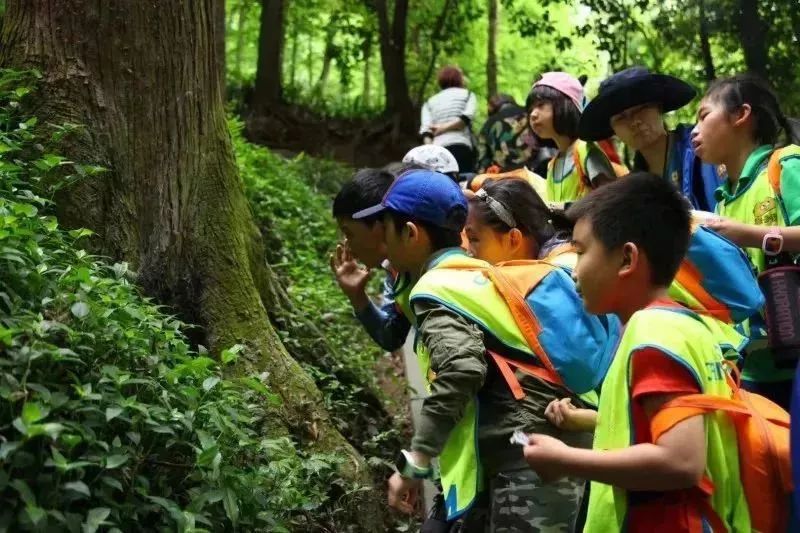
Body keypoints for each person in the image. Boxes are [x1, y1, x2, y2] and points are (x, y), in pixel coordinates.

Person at [364, 170, 592, 532]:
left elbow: (460, 369)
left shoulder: (438, 288)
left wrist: (417, 460)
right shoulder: (477, 272)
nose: (381, 246)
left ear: (410, 232)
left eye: (385, 231)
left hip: (528, 452)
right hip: (534, 445)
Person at [524, 173, 750, 532]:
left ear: (627, 259)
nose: (575, 270)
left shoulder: (652, 333)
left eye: (581, 251)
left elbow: (681, 461)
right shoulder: (685, 324)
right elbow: (667, 425)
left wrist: (566, 460)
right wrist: (588, 420)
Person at [690, 74, 800, 409]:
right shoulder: (722, 202)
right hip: (752, 368)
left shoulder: (784, 165)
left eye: (704, 115)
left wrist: (746, 234)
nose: (694, 131)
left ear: (740, 115)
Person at [579, 66, 725, 212]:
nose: (634, 121)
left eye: (641, 109)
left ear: (659, 107)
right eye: (621, 118)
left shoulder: (700, 147)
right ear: (613, 130)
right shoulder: (634, 189)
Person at [330, 168, 412, 352]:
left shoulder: (426, 269)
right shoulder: (397, 272)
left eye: (349, 233)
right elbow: (392, 336)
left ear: (378, 227)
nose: (347, 246)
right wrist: (357, 296)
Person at [527, 72, 618, 205]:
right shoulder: (552, 165)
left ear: (565, 106)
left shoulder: (585, 151)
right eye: (530, 110)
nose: (533, 115)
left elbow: (611, 199)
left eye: (541, 105)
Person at [476, 93, 554, 176]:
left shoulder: (486, 126)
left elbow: (483, 160)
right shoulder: (530, 113)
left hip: (507, 177)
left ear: (491, 107)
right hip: (539, 169)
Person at [420, 65, 478, 174]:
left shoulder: (429, 102)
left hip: (438, 150)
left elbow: (426, 131)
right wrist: (445, 127)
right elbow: (465, 119)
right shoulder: (468, 95)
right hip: (461, 145)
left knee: (442, 186)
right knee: (465, 182)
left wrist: (430, 152)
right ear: (459, 79)